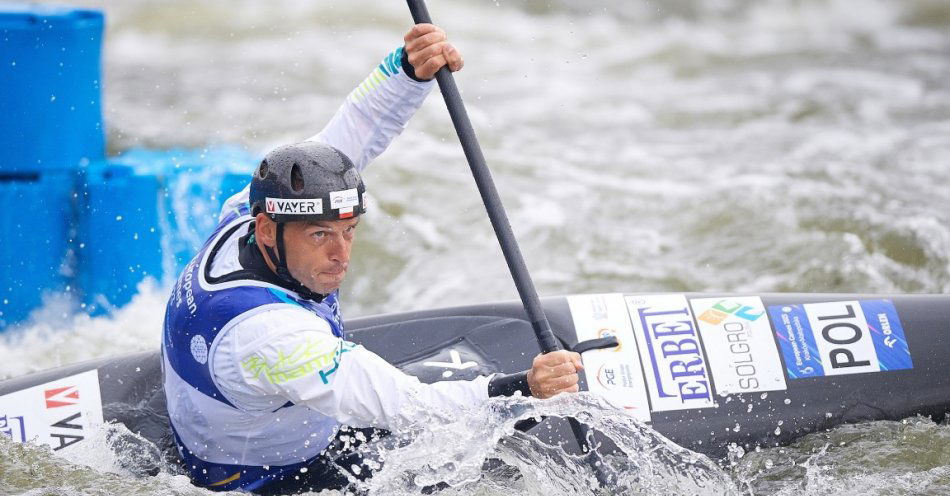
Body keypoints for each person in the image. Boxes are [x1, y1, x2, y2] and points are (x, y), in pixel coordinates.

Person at [161, 24, 583, 494]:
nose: (341, 255)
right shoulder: (271, 336)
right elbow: (414, 408)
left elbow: (351, 136)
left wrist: (408, 72)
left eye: (349, 230)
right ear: (267, 231)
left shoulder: (244, 217)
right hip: (270, 479)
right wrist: (525, 389)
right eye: (320, 234)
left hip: (256, 417)